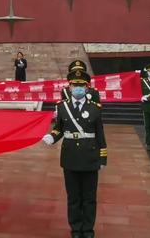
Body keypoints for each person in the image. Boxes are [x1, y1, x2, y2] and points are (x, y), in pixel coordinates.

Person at [43, 69, 107, 238]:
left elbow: (100, 133)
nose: (78, 88)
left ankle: (88, 229)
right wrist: (52, 136)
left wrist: (103, 157)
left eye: (81, 85)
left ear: (87, 88)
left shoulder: (95, 108)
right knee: (73, 197)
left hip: (90, 157)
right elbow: (60, 128)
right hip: (70, 157)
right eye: (74, 85)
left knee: (89, 197)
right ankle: (76, 229)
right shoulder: (61, 107)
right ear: (69, 87)